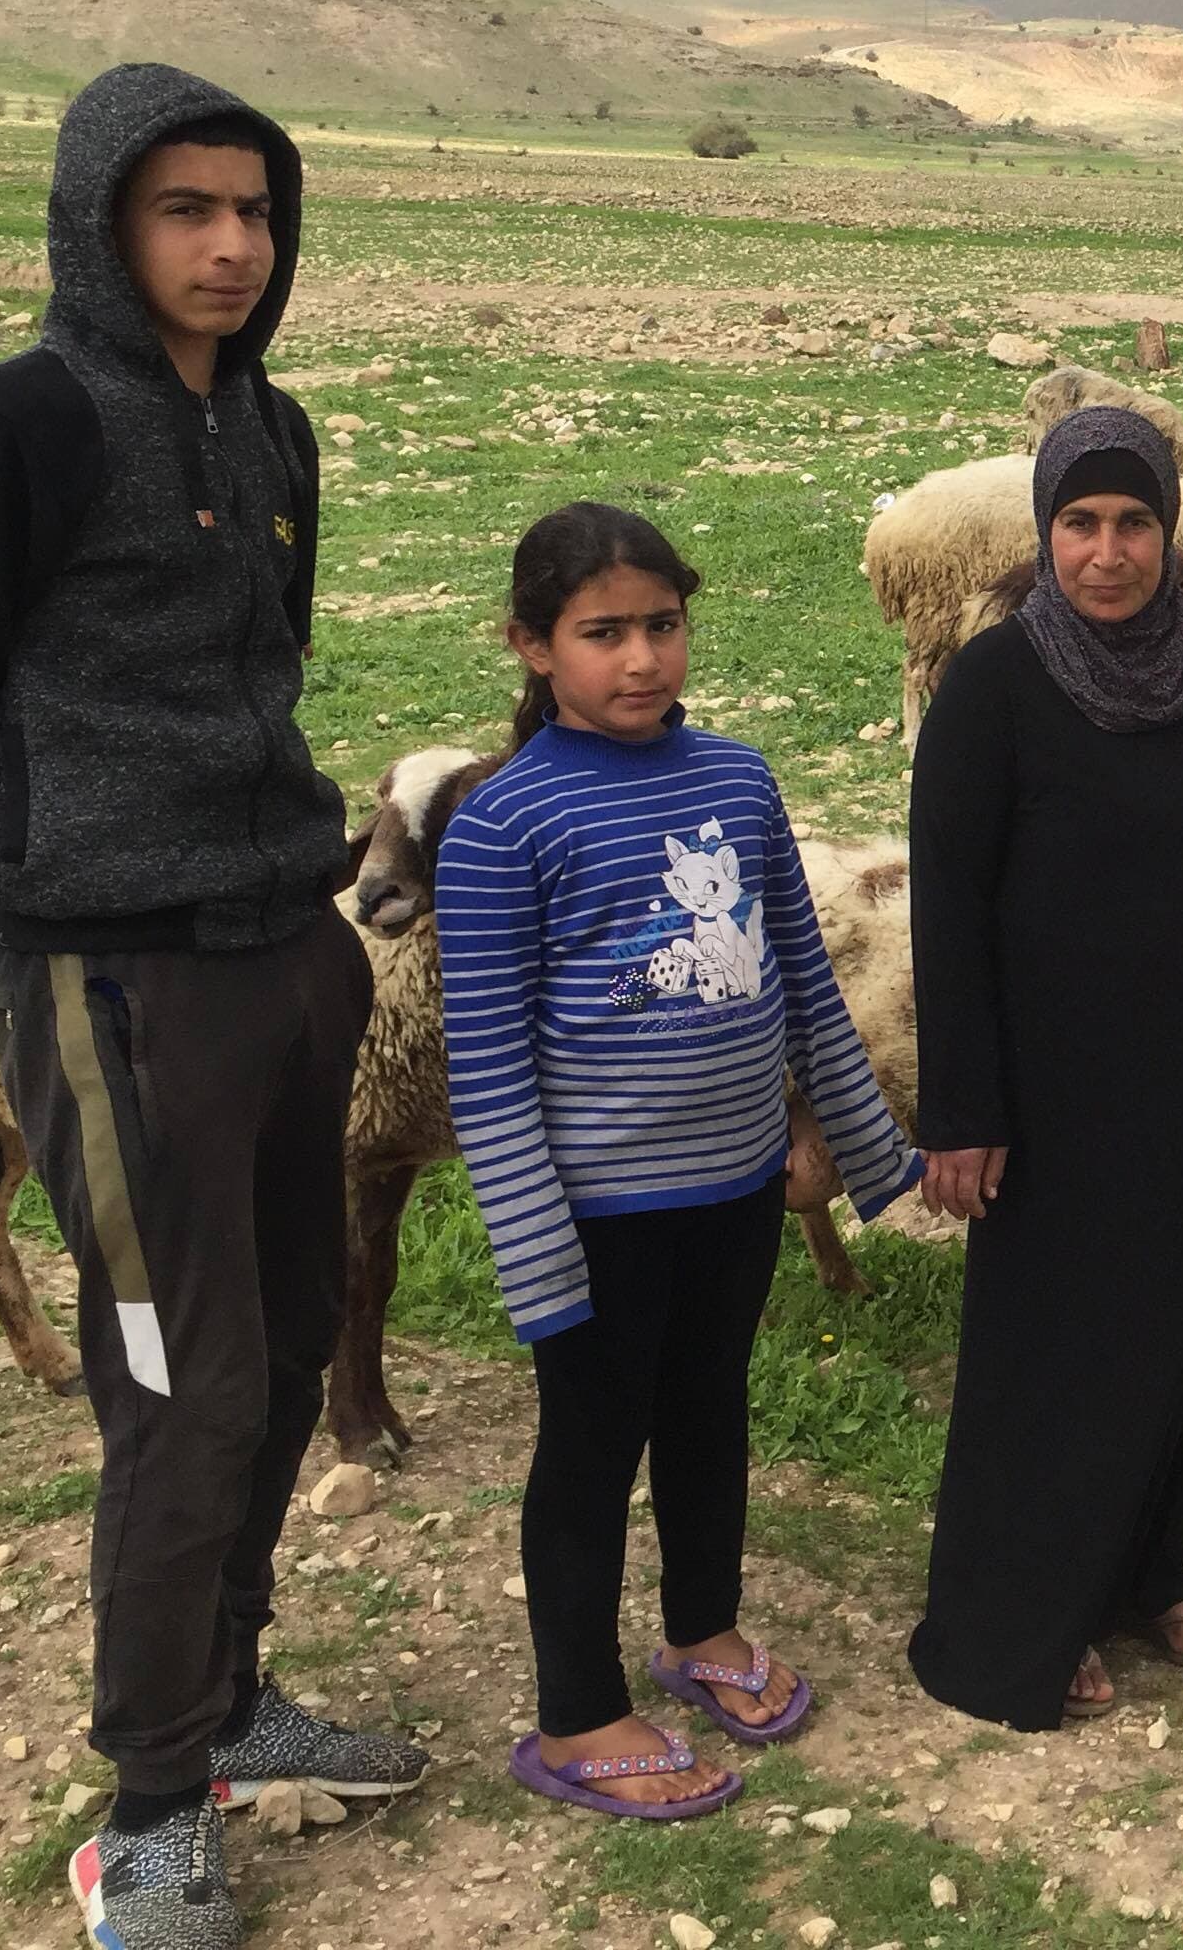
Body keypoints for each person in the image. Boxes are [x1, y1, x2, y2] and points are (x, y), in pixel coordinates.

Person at [0, 65, 425, 1950]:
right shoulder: (11, 433)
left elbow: (264, 674)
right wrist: (38, 915)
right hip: (118, 993)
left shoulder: (270, 431)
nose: (226, 246)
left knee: (280, 1357)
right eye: (185, 210)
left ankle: (227, 1694)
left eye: (255, 213)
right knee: (175, 1392)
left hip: (283, 958)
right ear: (100, 222)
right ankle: (149, 1806)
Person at [436, 503, 922, 1817]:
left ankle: (701, 1631)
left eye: (662, 624)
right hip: (595, 1214)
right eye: (604, 633)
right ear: (534, 646)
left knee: (712, 1411)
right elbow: (483, 1063)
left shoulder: (738, 782)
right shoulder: (500, 828)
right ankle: (577, 1713)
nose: (642, 658)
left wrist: (857, 1148)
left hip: (735, 1190)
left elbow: (805, 989)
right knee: (591, 1448)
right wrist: (535, 1251)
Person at [904, 405, 1183, 1728]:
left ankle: (1150, 1570)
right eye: (1081, 525)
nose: (1109, 553)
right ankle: (1028, 1611)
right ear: (1047, 535)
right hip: (1055, 1094)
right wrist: (964, 1110)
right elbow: (950, 910)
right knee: (1059, 1349)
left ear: (1169, 526)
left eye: (1134, 523)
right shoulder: (993, 690)